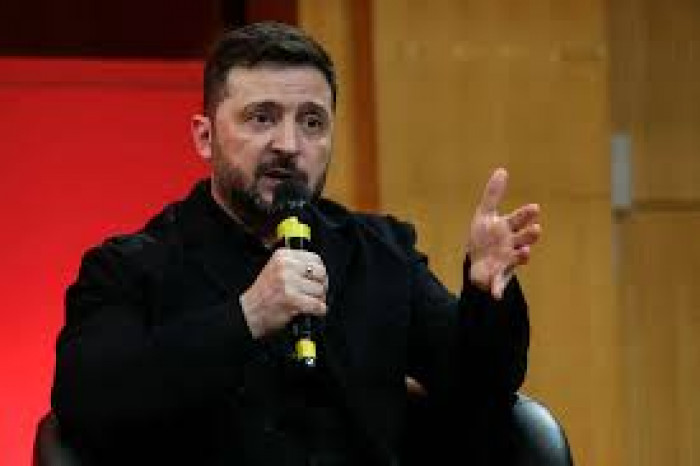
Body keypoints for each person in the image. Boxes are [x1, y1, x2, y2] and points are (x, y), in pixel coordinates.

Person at [51, 21, 541, 465]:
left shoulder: (381, 252)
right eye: (261, 118)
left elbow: (480, 389)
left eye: (311, 122)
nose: (289, 145)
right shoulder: (130, 267)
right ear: (205, 137)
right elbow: (86, 401)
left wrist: (485, 295)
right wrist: (246, 317)